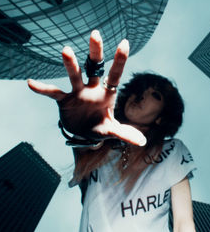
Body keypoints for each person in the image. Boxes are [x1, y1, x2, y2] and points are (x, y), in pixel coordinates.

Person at [28, 30, 196, 231]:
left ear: (162, 117)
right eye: (140, 89)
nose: (142, 95)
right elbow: (85, 149)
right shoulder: (99, 149)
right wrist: (85, 127)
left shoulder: (172, 151)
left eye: (155, 95)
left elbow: (183, 224)